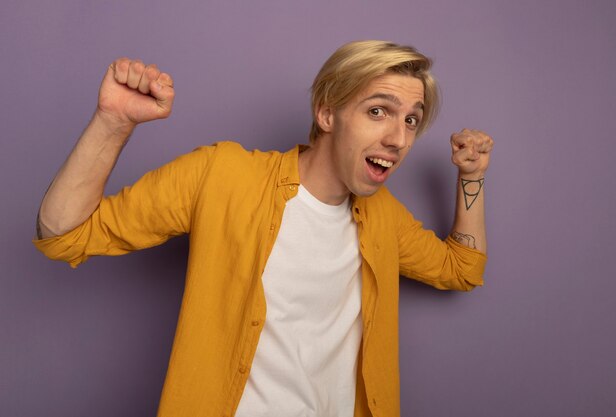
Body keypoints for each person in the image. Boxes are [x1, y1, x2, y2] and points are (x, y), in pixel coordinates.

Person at [34, 40, 494, 417]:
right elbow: (64, 234)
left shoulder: (383, 217)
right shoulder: (221, 175)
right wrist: (113, 123)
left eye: (411, 120)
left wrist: (470, 178)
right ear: (327, 114)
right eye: (378, 111)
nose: (398, 139)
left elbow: (462, 268)